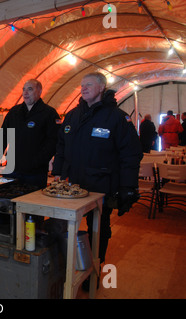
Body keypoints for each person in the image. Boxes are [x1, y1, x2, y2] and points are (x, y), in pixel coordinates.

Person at [52, 72, 142, 273]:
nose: (83, 88)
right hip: (71, 186)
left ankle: (95, 267)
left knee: (98, 229)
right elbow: (61, 147)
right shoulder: (73, 116)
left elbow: (131, 154)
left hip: (100, 186)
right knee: (64, 225)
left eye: (89, 84)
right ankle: (67, 266)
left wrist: (128, 186)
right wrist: (57, 172)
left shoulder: (116, 118)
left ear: (102, 87)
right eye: (82, 85)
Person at [0, 79, 60, 189]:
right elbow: (4, 135)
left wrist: (37, 161)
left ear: (40, 91)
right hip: (12, 169)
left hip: (35, 173)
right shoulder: (14, 112)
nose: (25, 93)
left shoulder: (49, 114)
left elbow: (53, 142)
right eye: (24, 90)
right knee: (9, 199)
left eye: (30, 89)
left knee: (31, 202)